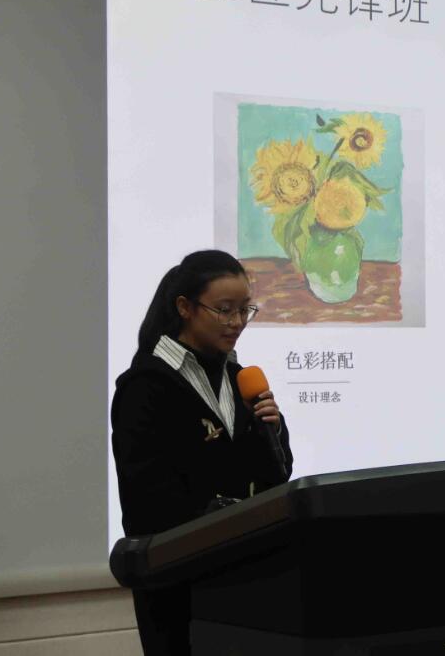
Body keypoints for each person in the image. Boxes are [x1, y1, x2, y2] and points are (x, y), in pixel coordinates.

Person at [111, 250, 294, 655]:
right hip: (179, 588)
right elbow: (147, 501)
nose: (237, 322)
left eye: (245, 309)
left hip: (247, 578)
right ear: (185, 308)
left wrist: (273, 430)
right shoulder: (145, 387)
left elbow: (277, 478)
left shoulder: (239, 378)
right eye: (224, 310)